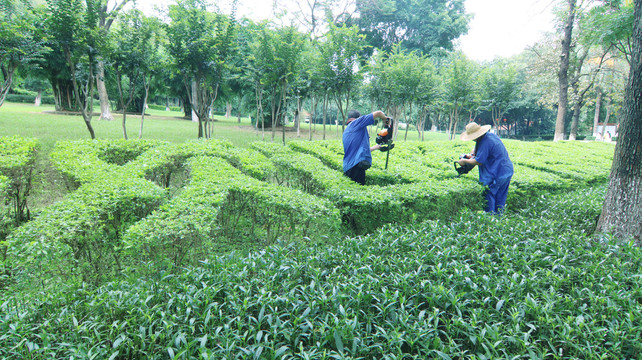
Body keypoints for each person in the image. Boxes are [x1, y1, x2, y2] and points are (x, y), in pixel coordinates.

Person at [458, 122, 514, 214]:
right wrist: (471, 154)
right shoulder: (490, 136)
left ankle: (490, 219)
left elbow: (479, 161)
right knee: (500, 198)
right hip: (506, 171)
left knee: (489, 195)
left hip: (496, 174)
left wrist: (464, 161)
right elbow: (477, 150)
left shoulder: (485, 142)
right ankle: (499, 220)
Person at [342, 110, 389, 185]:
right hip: (355, 167)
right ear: (359, 118)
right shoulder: (356, 123)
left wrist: (377, 147)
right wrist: (385, 119)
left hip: (349, 167)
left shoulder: (348, 130)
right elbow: (378, 113)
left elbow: (359, 151)